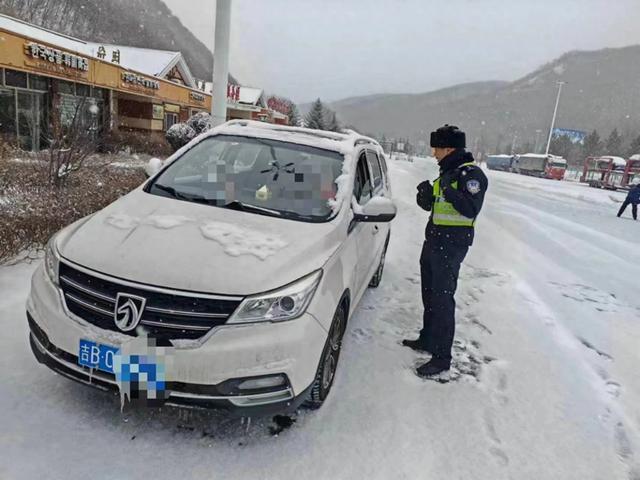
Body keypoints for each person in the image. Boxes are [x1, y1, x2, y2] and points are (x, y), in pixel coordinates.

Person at [402, 125, 488, 380]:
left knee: (442, 299)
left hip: (451, 246)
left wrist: (449, 190)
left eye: (436, 148)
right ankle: (428, 338)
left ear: (449, 148)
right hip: (434, 241)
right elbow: (434, 205)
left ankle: (442, 357)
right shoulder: (448, 172)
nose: (433, 154)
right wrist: (424, 196)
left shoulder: (471, 175)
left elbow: (470, 209)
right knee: (429, 293)